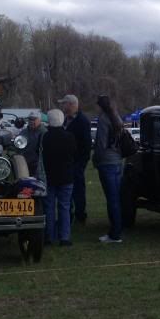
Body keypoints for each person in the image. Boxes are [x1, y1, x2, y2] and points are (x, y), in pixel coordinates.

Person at [41, 109, 77, 246]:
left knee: (49, 208)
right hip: (66, 177)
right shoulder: (69, 137)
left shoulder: (45, 137)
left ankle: (49, 237)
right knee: (65, 207)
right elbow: (74, 153)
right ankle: (65, 237)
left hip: (50, 177)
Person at [93, 95, 125, 244]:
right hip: (118, 161)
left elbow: (100, 144)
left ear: (101, 106)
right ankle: (117, 228)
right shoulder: (117, 118)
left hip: (107, 162)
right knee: (116, 198)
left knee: (112, 199)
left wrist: (96, 159)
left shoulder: (104, 120)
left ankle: (115, 233)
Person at [58, 94, 92, 223]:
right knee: (67, 190)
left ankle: (80, 215)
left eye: (64, 104)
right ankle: (68, 214)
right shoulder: (65, 120)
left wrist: (81, 163)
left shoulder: (82, 121)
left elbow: (87, 144)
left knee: (78, 190)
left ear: (71, 105)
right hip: (66, 162)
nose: (62, 106)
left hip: (77, 162)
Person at [21, 111, 47, 177]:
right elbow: (17, 145)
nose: (31, 121)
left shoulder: (45, 132)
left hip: (39, 165)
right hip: (25, 164)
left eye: (34, 119)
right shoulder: (23, 132)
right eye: (30, 119)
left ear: (39, 120)